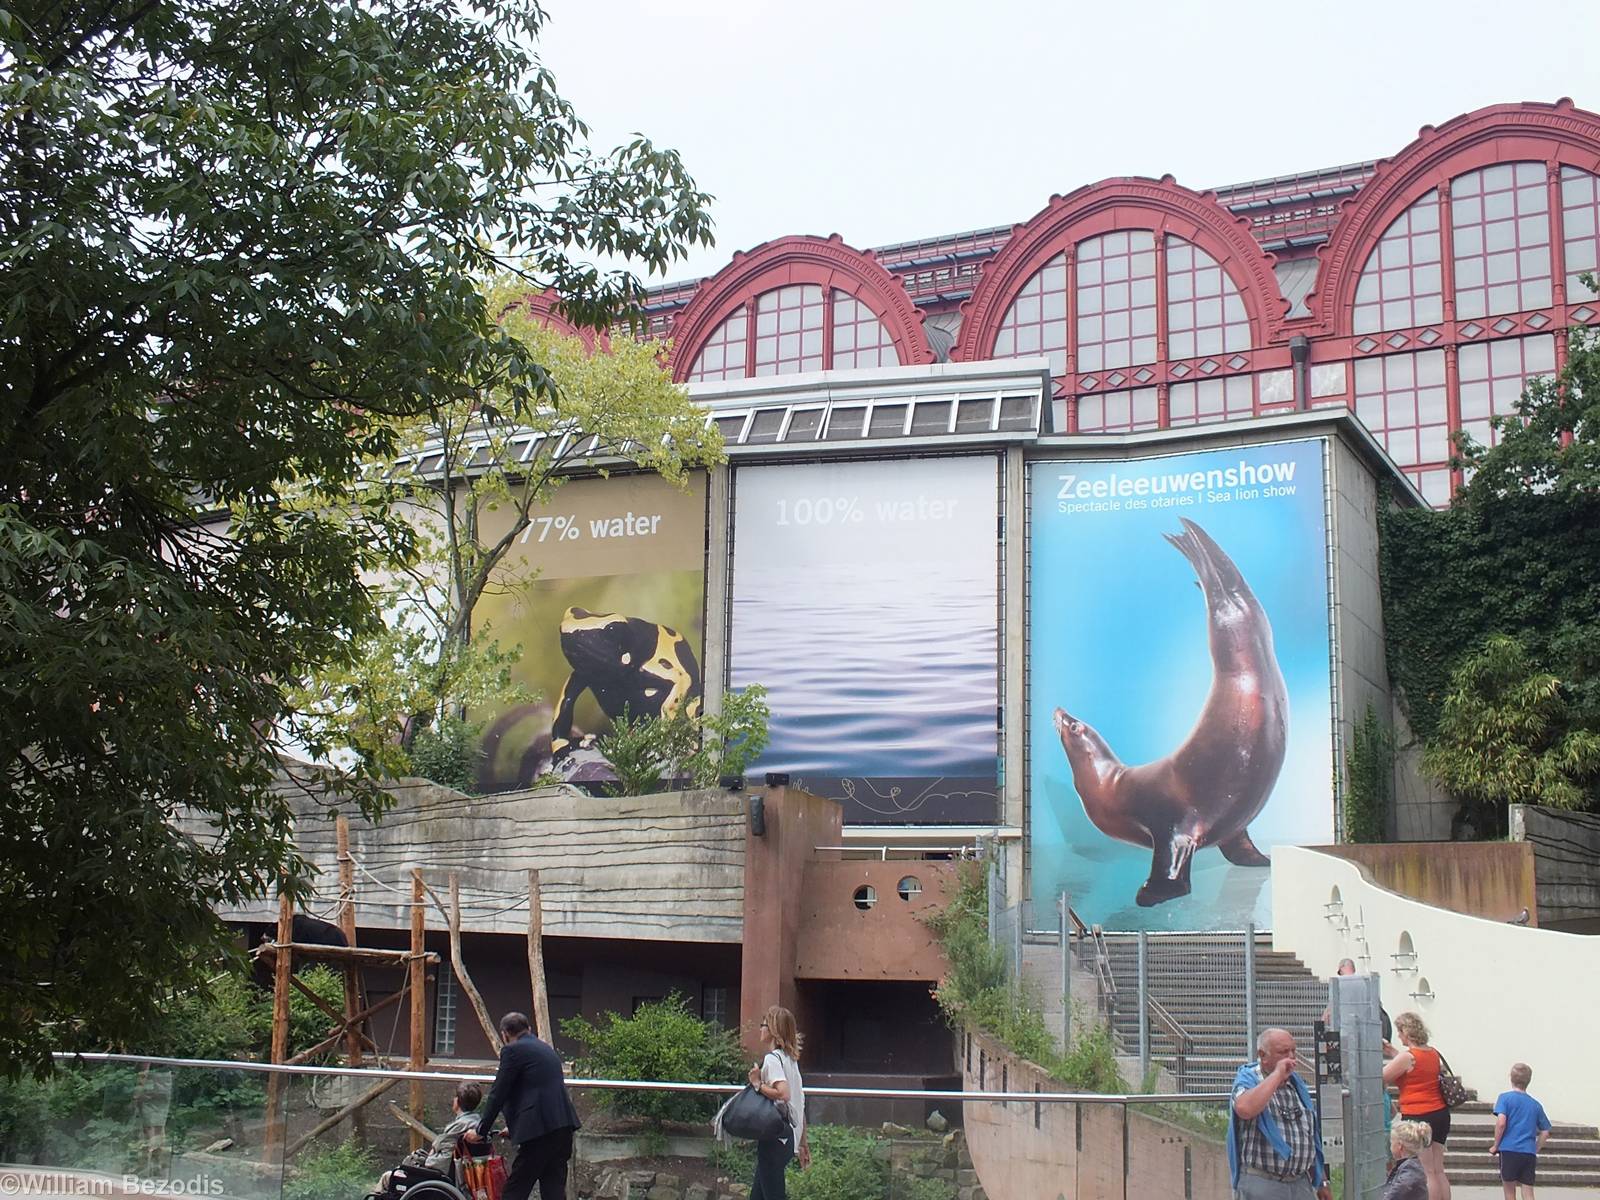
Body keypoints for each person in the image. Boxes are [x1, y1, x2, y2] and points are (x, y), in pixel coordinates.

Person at [465, 1012, 580, 1200]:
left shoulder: (512, 1051)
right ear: (530, 1029)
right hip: (563, 1127)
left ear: (504, 1035)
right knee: (553, 1190)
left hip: (539, 1133)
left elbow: (498, 1093)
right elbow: (535, 1091)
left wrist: (481, 1130)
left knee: (514, 1190)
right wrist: (514, 1126)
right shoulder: (546, 1049)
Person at [1227, 1027, 1330, 1200]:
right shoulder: (1249, 1079)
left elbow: (1308, 1136)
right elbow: (1244, 1108)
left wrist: (1322, 1181)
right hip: (1263, 1182)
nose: (1291, 1057)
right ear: (1263, 1055)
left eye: (1293, 1051)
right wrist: (1277, 1075)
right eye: (1283, 1052)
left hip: (1299, 1182)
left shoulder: (1296, 1084)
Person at [1383, 1012, 1451, 1200]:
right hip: (1440, 1112)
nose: (1398, 1036)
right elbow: (1417, 1068)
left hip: (1418, 1113)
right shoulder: (1432, 1053)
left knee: (1426, 1170)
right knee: (1438, 1169)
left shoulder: (1408, 1057)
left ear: (1407, 1032)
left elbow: (1382, 1076)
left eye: (1399, 1031)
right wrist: (1393, 1053)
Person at [746, 1005, 811, 1200]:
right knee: (758, 1195)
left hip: (775, 1137)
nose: (761, 1028)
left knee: (773, 1194)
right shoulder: (790, 1061)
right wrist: (803, 1142)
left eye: (763, 1024)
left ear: (773, 1030)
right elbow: (800, 1105)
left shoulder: (773, 1060)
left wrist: (757, 1084)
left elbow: (783, 1094)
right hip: (789, 1137)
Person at [378, 1082, 483, 1191]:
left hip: (440, 1182)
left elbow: (441, 1164)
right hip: (461, 1183)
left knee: (388, 1177)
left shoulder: (457, 1129)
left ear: (457, 1101)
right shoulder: (478, 1126)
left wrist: (425, 1161)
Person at [1490, 1062, 1551, 1200]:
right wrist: (1535, 1148)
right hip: (1528, 1151)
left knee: (1509, 1191)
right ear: (1529, 1081)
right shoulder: (1535, 1104)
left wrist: (1495, 1145)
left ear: (1511, 1078)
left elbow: (1501, 1123)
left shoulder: (1505, 1098)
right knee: (1528, 1190)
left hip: (1509, 1149)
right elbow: (1545, 1131)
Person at [1384, 1120, 1432, 1200]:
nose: (1390, 1146)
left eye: (1392, 1143)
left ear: (1400, 1146)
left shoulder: (1410, 1168)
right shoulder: (1410, 1165)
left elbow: (1402, 1187)